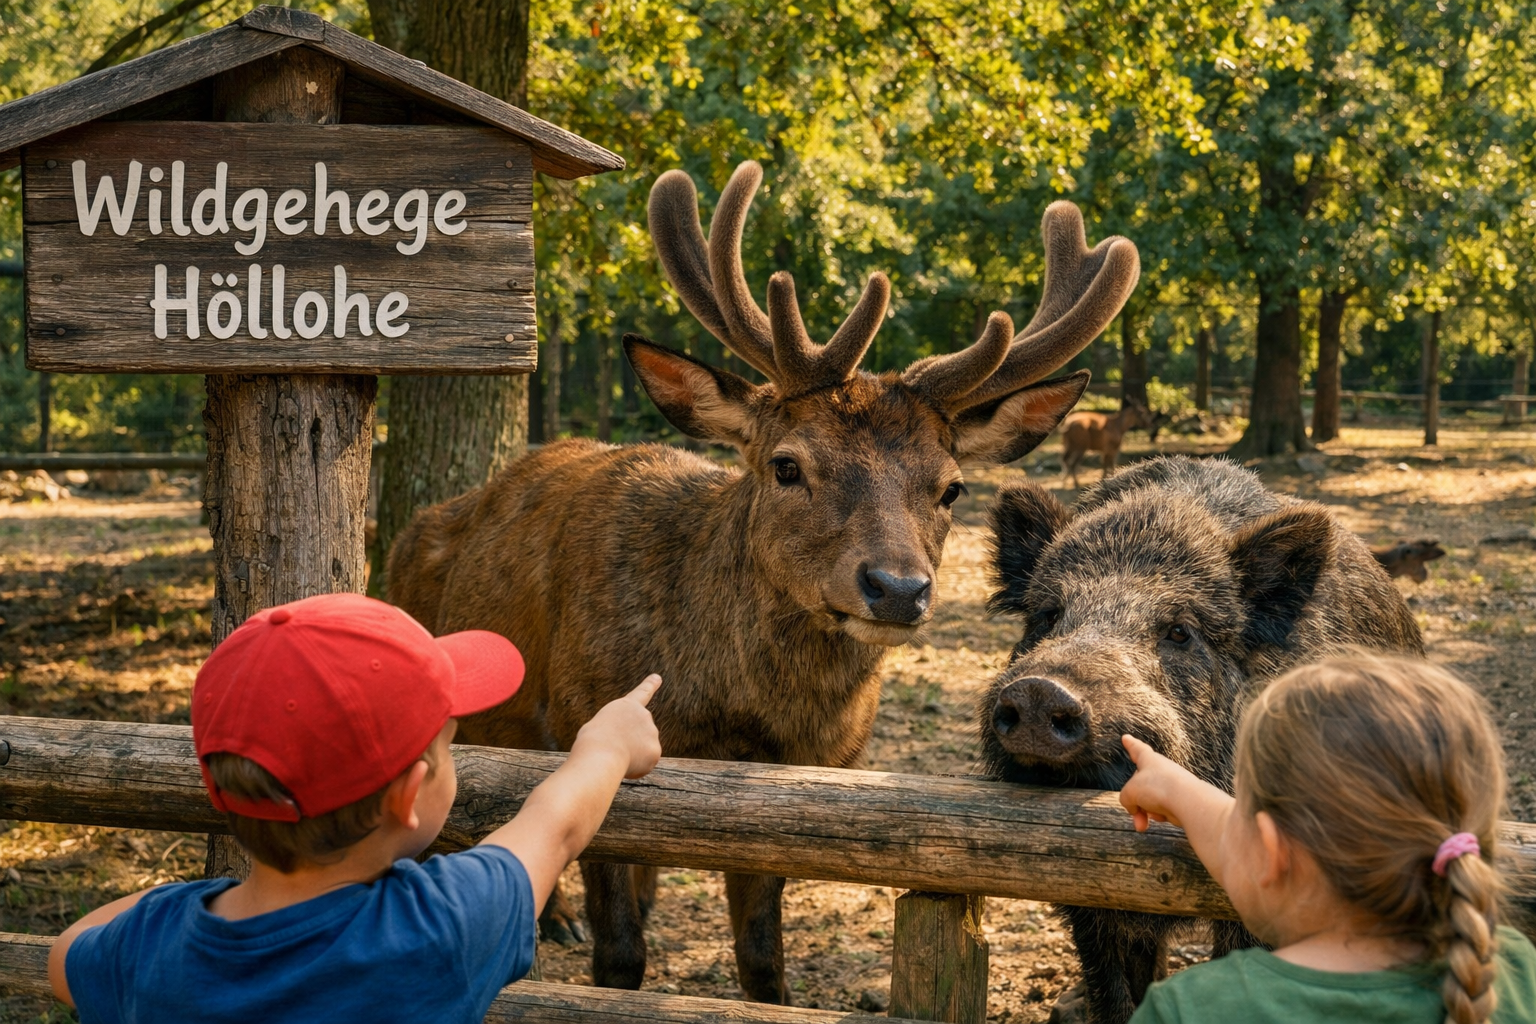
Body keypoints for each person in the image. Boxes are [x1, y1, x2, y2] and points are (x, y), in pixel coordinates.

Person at [46, 593, 663, 1023]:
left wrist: (188, 905)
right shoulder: (436, 926)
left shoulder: (150, 949)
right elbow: (554, 827)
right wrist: (607, 744)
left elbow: (65, 954)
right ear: (406, 798)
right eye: (448, 745)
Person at [1119, 653, 1536, 1024]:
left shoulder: (1191, 1009)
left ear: (1271, 849)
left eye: (1238, 803)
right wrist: (1178, 790)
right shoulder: (1511, 968)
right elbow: (1252, 846)